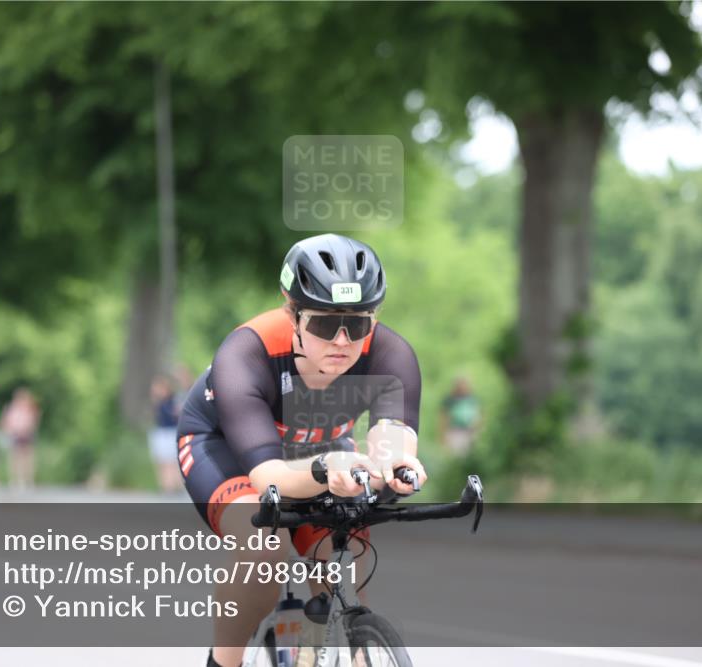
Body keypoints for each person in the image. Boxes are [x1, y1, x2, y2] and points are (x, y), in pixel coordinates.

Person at [177, 234, 427, 667]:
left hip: (321, 449)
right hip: (228, 451)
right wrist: (326, 466)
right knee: (263, 546)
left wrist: (394, 464)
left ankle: (346, 651)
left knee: (341, 556)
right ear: (291, 312)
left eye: (360, 323)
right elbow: (270, 477)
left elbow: (391, 432)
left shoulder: (390, 353)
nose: (343, 341)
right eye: (325, 324)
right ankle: (225, 662)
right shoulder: (246, 352)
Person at [1, 387, 41, 490]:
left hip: (27, 434)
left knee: (28, 459)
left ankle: (28, 480)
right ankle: (15, 480)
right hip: (15, 434)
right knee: (15, 458)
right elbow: (6, 422)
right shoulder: (11, 408)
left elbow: (34, 421)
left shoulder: (29, 408)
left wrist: (27, 430)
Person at [149, 376, 184, 494]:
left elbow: (176, 414)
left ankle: (175, 485)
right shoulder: (158, 403)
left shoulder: (173, 400)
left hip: (171, 432)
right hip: (161, 433)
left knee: (173, 461)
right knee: (162, 461)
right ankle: (166, 486)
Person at [439, 376, 481, 457]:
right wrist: (443, 435)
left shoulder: (472, 399)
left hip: (469, 432)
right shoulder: (450, 400)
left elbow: (478, 415)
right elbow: (443, 418)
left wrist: (477, 430)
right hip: (454, 432)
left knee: (468, 456)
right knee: (454, 456)